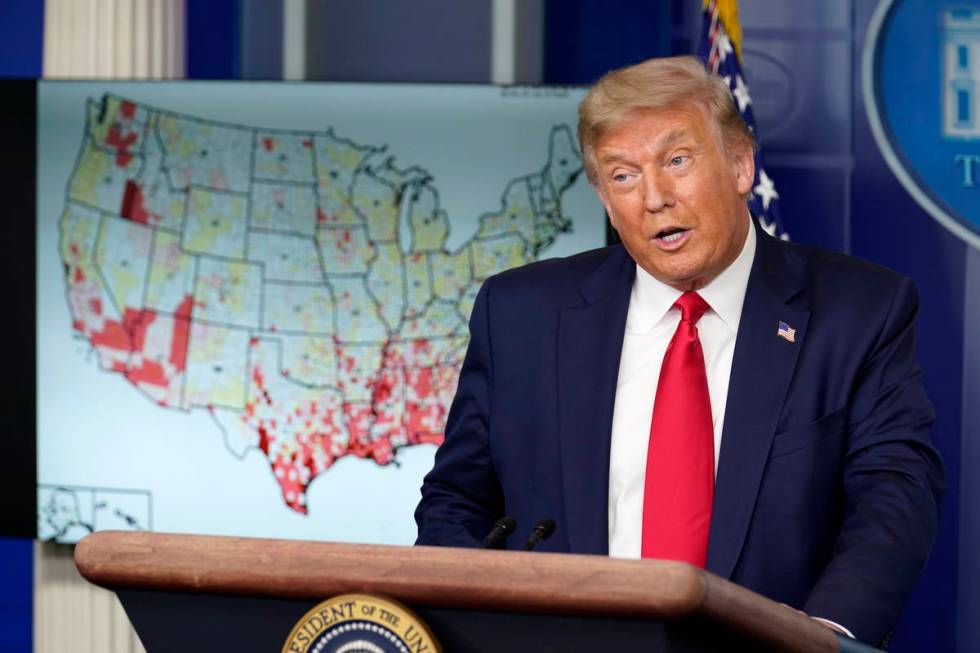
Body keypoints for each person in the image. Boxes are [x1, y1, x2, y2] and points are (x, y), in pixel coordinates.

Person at [414, 55, 943, 648]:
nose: (655, 197)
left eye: (677, 161)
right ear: (605, 200)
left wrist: (820, 640)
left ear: (741, 166)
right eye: (622, 176)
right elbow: (458, 500)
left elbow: (893, 493)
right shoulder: (521, 314)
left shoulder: (859, 311)